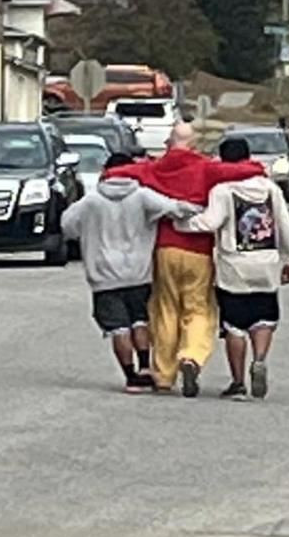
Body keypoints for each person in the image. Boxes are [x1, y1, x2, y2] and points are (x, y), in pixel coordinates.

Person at [104, 122, 265, 397]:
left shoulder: (153, 168)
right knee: (198, 309)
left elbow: (117, 173)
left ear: (169, 142)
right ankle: (191, 356)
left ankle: (163, 375)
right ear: (193, 144)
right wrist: (258, 168)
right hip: (198, 250)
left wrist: (110, 172)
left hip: (164, 248)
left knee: (164, 310)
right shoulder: (206, 168)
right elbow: (245, 170)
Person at [61, 152, 198, 394]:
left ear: (107, 171)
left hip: (103, 276)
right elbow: (175, 208)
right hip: (138, 272)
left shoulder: (91, 201)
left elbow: (67, 225)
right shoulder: (143, 196)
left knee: (118, 329)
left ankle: (131, 376)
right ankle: (146, 366)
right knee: (139, 320)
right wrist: (200, 207)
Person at [175, 138, 289, 400]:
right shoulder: (269, 188)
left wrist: (181, 225)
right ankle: (260, 360)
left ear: (222, 159)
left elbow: (211, 222)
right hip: (266, 263)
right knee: (264, 317)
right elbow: (284, 225)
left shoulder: (223, 190)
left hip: (234, 268)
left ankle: (239, 382)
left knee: (235, 326)